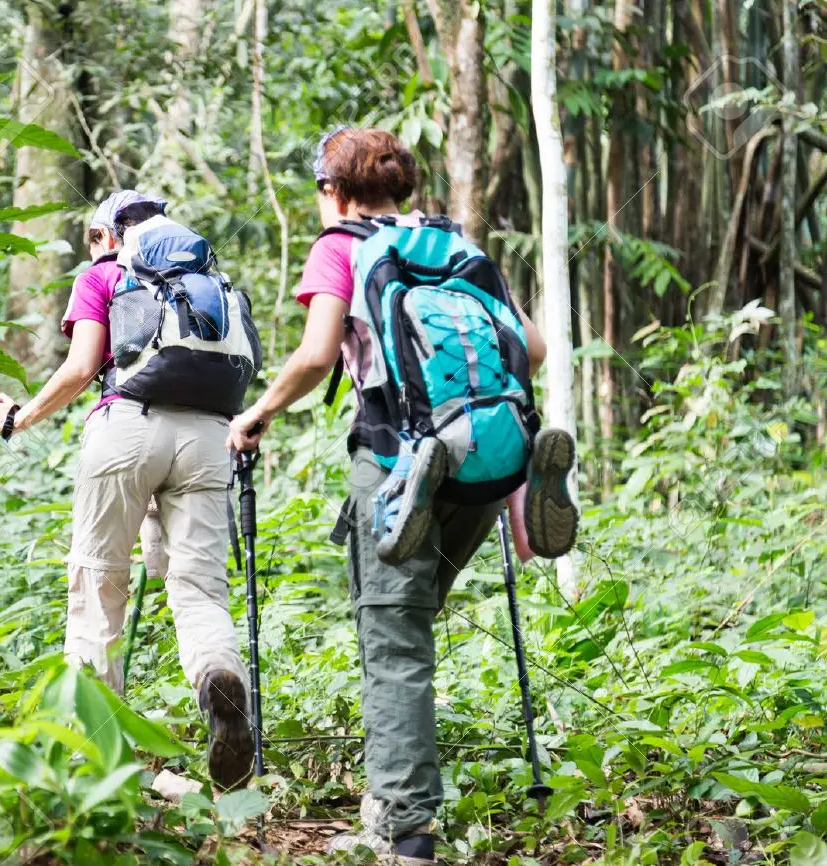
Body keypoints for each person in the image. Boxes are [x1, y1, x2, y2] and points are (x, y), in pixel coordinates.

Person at [227, 127, 575, 864]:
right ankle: (388, 800)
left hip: (397, 460)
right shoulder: (456, 245)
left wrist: (257, 412)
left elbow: (320, 352)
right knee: (409, 625)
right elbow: (533, 349)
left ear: (333, 189)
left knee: (394, 642)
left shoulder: (340, 247)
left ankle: (407, 831)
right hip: (483, 464)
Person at [0, 190, 255, 789]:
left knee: (98, 581)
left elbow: (82, 367)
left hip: (127, 425)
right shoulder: (211, 282)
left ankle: (97, 759)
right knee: (200, 588)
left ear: (110, 235)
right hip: (209, 435)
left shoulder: (104, 275)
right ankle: (218, 678)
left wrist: (17, 418)